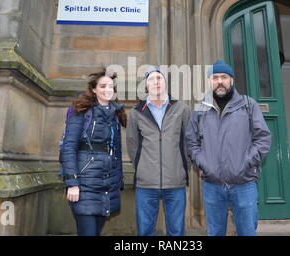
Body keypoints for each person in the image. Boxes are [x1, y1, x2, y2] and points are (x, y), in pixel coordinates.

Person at [185, 59, 271, 236]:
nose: (219, 82)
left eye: (224, 77)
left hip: (244, 183)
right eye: (215, 77)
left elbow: (263, 138)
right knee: (215, 232)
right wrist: (203, 162)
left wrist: (246, 162)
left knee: (247, 232)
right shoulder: (200, 109)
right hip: (212, 185)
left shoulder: (248, 105)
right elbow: (191, 141)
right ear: (210, 81)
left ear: (231, 80)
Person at [60, 69, 126, 236]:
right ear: (94, 89)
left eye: (111, 86)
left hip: (107, 186)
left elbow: (116, 151)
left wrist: (118, 181)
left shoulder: (115, 115)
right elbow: (68, 147)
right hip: (84, 186)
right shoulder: (81, 111)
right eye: (103, 86)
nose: (107, 90)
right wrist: (72, 182)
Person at [126, 66, 191, 236]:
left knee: (176, 232)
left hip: (175, 182)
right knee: (145, 232)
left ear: (165, 83)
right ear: (146, 85)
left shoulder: (181, 108)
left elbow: (189, 142)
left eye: (159, 78)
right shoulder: (136, 112)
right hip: (146, 184)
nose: (156, 82)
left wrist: (182, 168)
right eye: (151, 79)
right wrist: (143, 167)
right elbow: (132, 145)